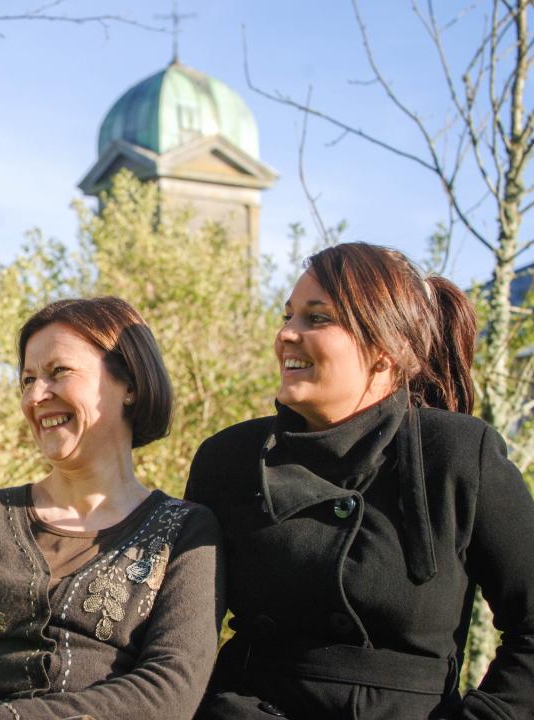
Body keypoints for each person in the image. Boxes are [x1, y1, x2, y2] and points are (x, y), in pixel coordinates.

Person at [185, 242, 534, 719]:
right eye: (287, 316)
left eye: (317, 317)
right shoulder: (227, 459)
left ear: (386, 350)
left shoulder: (455, 453)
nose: (286, 334)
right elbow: (184, 637)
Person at [0, 296, 224, 720]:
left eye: (57, 372)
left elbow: (170, 689)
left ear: (131, 385)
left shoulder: (184, 532)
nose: (36, 396)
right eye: (27, 380)